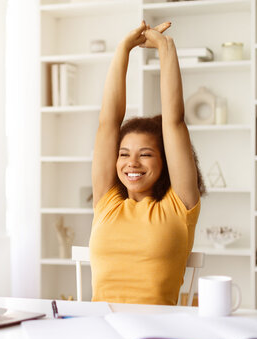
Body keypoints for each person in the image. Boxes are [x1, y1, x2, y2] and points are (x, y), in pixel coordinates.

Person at [89, 21, 205, 305]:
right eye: (124, 153)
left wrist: (165, 50)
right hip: (99, 332)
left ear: (165, 161)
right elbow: (107, 124)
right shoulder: (107, 203)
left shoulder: (179, 206)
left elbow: (175, 123)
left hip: (155, 337)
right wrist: (123, 49)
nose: (132, 163)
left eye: (146, 154)